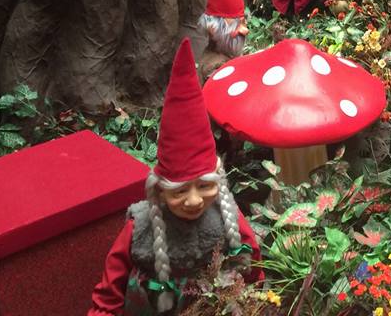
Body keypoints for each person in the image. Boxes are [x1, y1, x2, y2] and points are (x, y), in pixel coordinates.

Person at [88, 40, 262, 315]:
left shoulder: (227, 218)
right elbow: (108, 296)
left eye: (204, 186)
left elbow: (254, 273)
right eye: (180, 190)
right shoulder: (139, 228)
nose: (193, 201)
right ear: (160, 190)